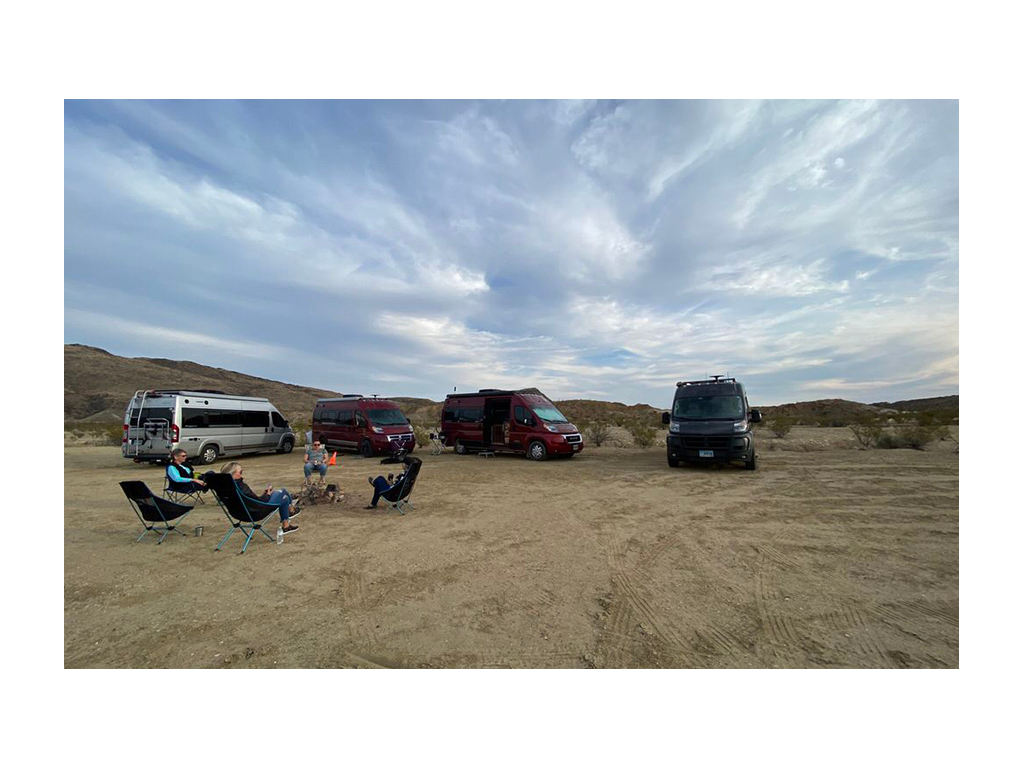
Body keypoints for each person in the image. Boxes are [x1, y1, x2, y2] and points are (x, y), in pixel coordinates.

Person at [221, 461, 299, 533]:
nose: (242, 475)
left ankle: (286, 526)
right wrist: (267, 494)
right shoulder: (241, 487)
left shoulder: (224, 488)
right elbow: (259, 503)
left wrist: (265, 495)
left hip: (237, 514)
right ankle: (291, 511)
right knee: (282, 491)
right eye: (240, 472)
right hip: (255, 513)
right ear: (232, 474)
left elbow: (251, 500)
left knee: (284, 498)